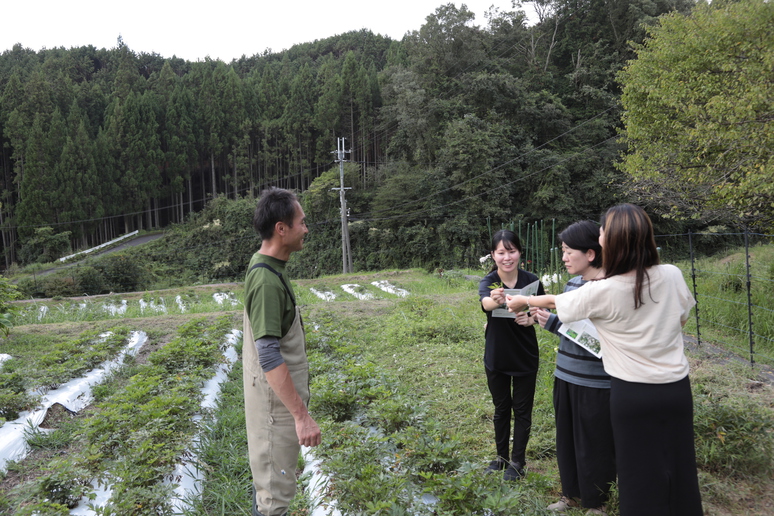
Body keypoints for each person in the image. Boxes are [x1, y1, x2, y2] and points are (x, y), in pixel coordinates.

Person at [506, 204, 702, 516]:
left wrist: (523, 300)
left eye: (602, 234)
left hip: (632, 393)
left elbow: (556, 302)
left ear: (610, 244)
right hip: (676, 389)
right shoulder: (672, 274)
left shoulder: (605, 289)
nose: (599, 238)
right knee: (678, 467)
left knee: (637, 475)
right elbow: (680, 321)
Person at [243, 187, 321, 516]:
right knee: (274, 498)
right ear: (281, 228)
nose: (306, 229)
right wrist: (301, 417)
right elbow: (269, 355)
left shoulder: (269, 268)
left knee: (272, 487)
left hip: (276, 407)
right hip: (277, 412)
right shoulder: (265, 282)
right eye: (302, 222)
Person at [534, 221, 615, 515]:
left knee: (594, 442)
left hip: (595, 382)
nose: (564, 257)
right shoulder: (572, 284)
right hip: (565, 373)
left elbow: (599, 342)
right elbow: (569, 328)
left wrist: (554, 323)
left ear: (591, 253)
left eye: (569, 251)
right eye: (563, 251)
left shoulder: (607, 287)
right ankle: (570, 494)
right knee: (566, 438)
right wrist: (543, 320)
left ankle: (597, 502)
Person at [479, 229, 545, 481]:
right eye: (501, 252)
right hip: (497, 355)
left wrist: (530, 318)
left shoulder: (532, 280)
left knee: (522, 409)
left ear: (520, 252)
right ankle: (501, 458)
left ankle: (518, 462)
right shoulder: (490, 282)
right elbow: (485, 304)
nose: (507, 257)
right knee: (501, 408)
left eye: (512, 251)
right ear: (493, 255)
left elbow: (543, 308)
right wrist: (496, 299)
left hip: (525, 355)